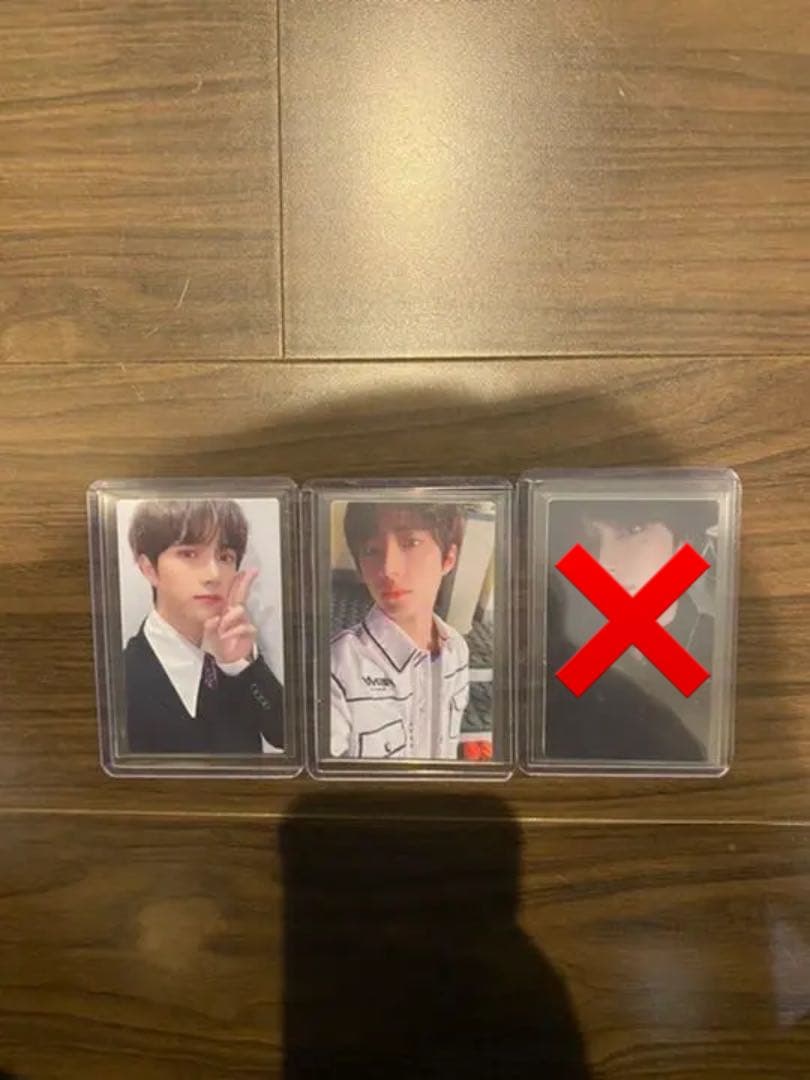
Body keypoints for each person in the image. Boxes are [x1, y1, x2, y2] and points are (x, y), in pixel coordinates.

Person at [546, 500, 716, 762]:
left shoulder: (718, 647)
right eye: (595, 538)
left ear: (686, 545)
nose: (605, 562)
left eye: (632, 531)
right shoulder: (564, 642)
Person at [123, 499, 284, 754]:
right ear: (149, 569)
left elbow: (290, 737)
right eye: (189, 554)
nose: (213, 575)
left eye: (225, 557)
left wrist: (240, 665)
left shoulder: (236, 660)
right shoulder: (120, 679)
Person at [330, 502, 479, 761]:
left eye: (410, 543)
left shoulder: (456, 649)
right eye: (371, 550)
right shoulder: (339, 667)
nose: (388, 569)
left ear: (448, 558)